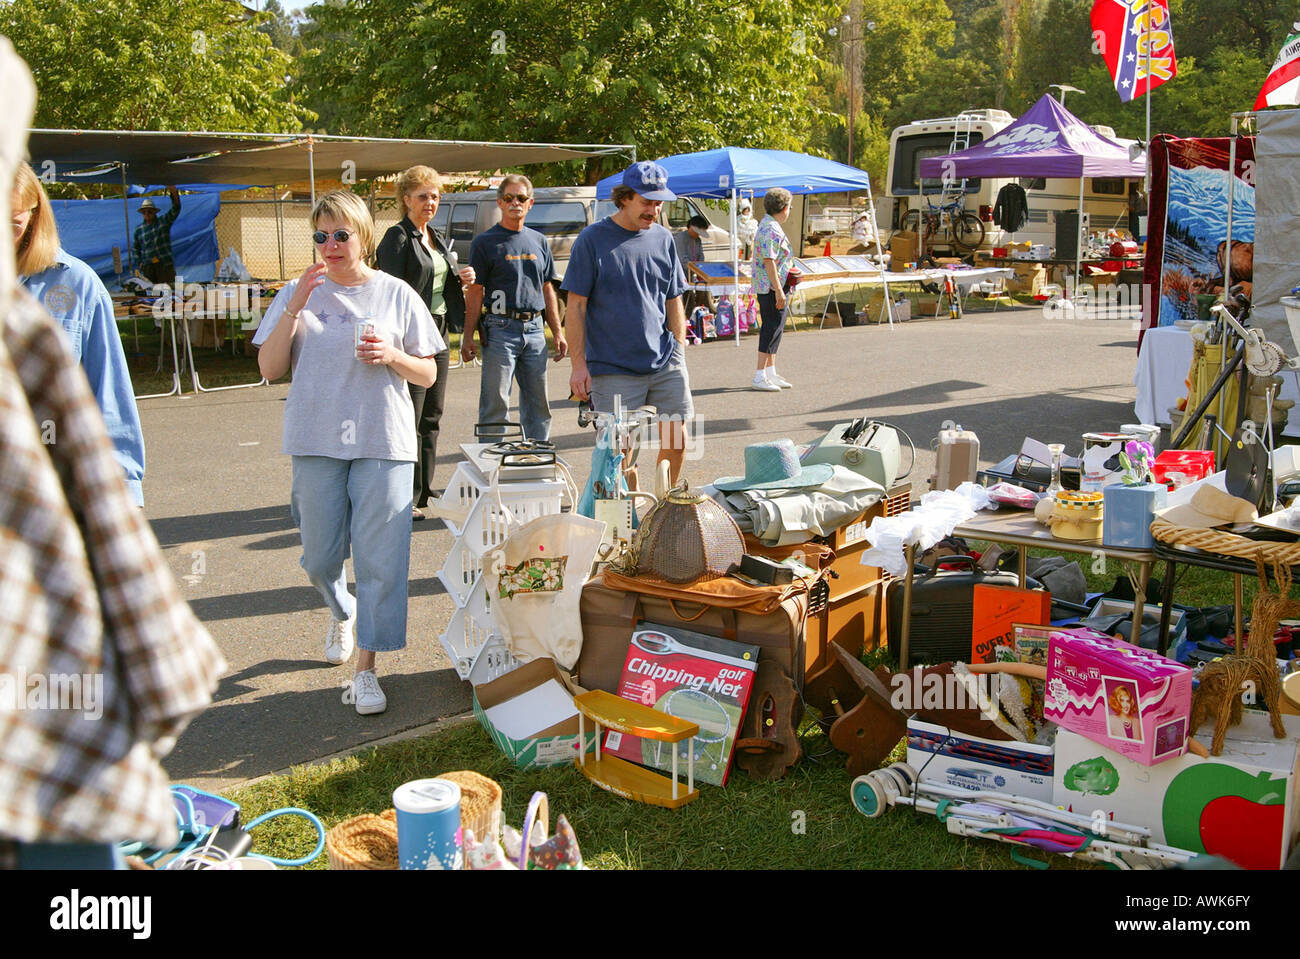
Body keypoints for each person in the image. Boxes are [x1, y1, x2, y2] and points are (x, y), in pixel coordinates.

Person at [253, 190, 444, 716]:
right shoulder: (297, 292)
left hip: (383, 439)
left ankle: (366, 669)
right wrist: (294, 307)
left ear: (363, 236)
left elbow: (428, 373)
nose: (331, 245)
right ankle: (342, 609)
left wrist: (393, 355)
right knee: (319, 557)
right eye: (321, 236)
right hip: (315, 439)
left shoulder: (395, 292)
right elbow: (269, 369)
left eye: (341, 234)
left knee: (381, 559)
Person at [12, 160, 147, 505]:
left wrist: (123, 488)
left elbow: (108, 390)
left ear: (34, 216)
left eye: (11, 223)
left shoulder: (77, 284)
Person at [564, 160, 692, 483]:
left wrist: (679, 348)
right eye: (647, 202)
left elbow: (673, 298)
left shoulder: (663, 239)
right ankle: (628, 509)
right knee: (618, 453)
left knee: (677, 440)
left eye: (659, 203)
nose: (654, 210)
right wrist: (578, 365)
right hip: (612, 367)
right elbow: (576, 306)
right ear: (624, 198)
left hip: (664, 360)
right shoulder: (592, 240)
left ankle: (664, 507)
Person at [375, 165, 473, 520]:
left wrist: (462, 277)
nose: (430, 202)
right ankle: (405, 494)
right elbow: (389, 290)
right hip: (411, 334)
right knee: (411, 417)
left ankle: (425, 489)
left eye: (434, 196)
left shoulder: (435, 236)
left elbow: (438, 279)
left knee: (432, 414)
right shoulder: (397, 237)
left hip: (439, 329)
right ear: (406, 199)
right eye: (422, 196)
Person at [461, 174, 565, 441]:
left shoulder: (539, 241)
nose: (515, 203)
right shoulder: (485, 242)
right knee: (496, 403)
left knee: (538, 404)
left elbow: (547, 288)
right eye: (509, 198)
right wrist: (468, 336)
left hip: (535, 329)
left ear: (530, 203)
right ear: (500, 202)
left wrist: (558, 332)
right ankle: (490, 459)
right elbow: (475, 291)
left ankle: (537, 456)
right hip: (499, 328)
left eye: (521, 198)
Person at [750, 188, 796, 392]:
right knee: (770, 327)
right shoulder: (770, 229)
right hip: (770, 286)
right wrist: (778, 289)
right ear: (784, 208)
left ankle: (770, 372)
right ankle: (759, 375)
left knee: (776, 327)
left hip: (773, 284)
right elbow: (769, 261)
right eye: (790, 207)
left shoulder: (769, 225)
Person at [131, 185, 182, 286]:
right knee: (151, 292)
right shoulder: (139, 230)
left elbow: (176, 209)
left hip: (164, 265)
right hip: (148, 267)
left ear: (154, 212)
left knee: (169, 291)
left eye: (149, 211)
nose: (147, 213)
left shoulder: (163, 222)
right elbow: (135, 248)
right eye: (144, 212)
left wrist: (174, 192)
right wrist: (139, 263)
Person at [674, 213, 715, 317]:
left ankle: (698, 317)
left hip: (692, 276)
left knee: (701, 294)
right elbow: (683, 260)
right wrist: (696, 269)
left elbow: (701, 256)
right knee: (687, 300)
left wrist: (701, 269)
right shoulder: (681, 238)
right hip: (680, 277)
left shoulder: (697, 240)